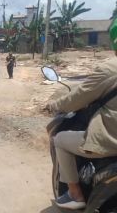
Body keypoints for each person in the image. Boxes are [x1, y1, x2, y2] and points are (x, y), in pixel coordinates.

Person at [46, 18, 117, 210]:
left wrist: (54, 105)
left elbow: (78, 97)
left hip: (111, 141)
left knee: (59, 139)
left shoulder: (110, 68)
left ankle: (75, 194)